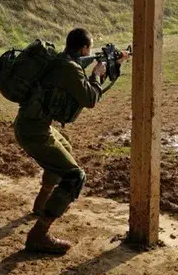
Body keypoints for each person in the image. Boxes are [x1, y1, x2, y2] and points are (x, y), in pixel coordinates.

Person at [16, 28, 128, 254]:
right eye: (90, 47)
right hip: (35, 131)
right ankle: (39, 234)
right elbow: (90, 99)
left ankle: (41, 204)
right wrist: (97, 73)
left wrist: (113, 62)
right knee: (75, 176)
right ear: (83, 48)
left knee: (65, 148)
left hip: (30, 124)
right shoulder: (70, 68)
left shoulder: (62, 60)